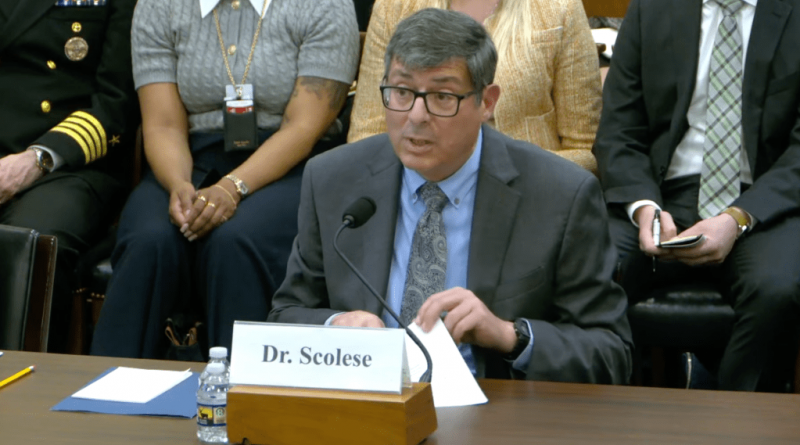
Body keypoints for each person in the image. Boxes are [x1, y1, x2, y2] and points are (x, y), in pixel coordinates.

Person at [269, 8, 632, 384]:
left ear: (487, 102)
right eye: (402, 92)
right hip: (368, 400)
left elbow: (611, 353)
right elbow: (285, 315)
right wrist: (335, 325)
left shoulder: (560, 194)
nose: (416, 116)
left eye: (442, 96)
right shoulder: (333, 179)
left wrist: (508, 335)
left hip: (493, 404)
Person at [90, 0, 359, 358]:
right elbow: (163, 125)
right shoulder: (160, 5)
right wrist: (178, 185)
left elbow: (304, 127)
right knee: (149, 238)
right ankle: (116, 383)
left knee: (235, 240)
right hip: (190, 156)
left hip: (294, 163)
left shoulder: (324, 5)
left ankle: (244, 384)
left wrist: (232, 187)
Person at [594, 0, 800, 391]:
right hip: (663, 192)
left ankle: (738, 416)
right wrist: (644, 207)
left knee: (778, 289)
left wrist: (738, 217)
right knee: (591, 269)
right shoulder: (653, 9)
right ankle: (610, 413)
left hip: (762, 199)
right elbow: (619, 131)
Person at [0, 0, 138, 352]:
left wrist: (37, 159)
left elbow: (116, 103)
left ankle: (23, 377)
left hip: (66, 163)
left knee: (30, 240)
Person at [346, 0, 602, 172]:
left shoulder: (558, 8)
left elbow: (586, 151)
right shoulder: (394, 6)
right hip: (414, 194)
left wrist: (498, 173)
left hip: (527, 200)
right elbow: (365, 137)